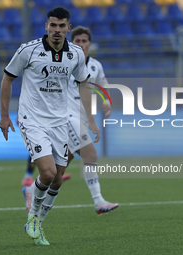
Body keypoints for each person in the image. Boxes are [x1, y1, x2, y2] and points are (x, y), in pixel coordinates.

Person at [0, 7, 100, 246]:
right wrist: (4, 115)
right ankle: (33, 216)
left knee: (57, 179)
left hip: (59, 121)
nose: (56, 30)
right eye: (52, 25)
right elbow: (7, 78)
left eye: (61, 26)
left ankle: (38, 224)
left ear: (68, 27)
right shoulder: (28, 50)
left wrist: (91, 118)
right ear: (46, 26)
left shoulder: (75, 54)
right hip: (32, 119)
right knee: (47, 173)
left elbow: (83, 84)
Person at [23, 26, 118, 215]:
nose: (81, 44)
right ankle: (99, 201)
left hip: (81, 119)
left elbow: (102, 86)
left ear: (89, 44)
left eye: (84, 41)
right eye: (77, 41)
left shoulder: (95, 66)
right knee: (91, 155)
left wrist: (107, 101)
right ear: (71, 42)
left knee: (59, 169)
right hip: (65, 118)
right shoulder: (62, 61)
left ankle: (32, 190)